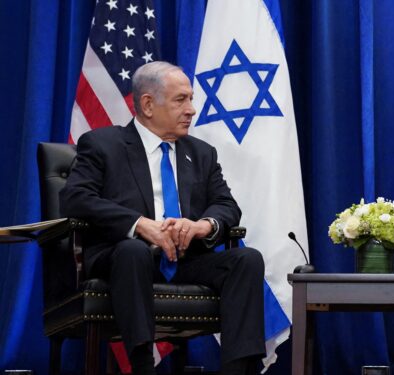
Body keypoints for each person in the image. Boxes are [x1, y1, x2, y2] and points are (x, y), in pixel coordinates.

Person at [60, 61, 265, 375]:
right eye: (180, 100)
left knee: (247, 259)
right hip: (123, 259)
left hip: (185, 260)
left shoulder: (201, 153)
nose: (192, 109)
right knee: (134, 250)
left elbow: (226, 205)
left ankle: (239, 369)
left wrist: (202, 225)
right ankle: (142, 367)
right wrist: (139, 225)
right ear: (147, 104)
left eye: (191, 99)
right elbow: (75, 198)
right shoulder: (103, 144)